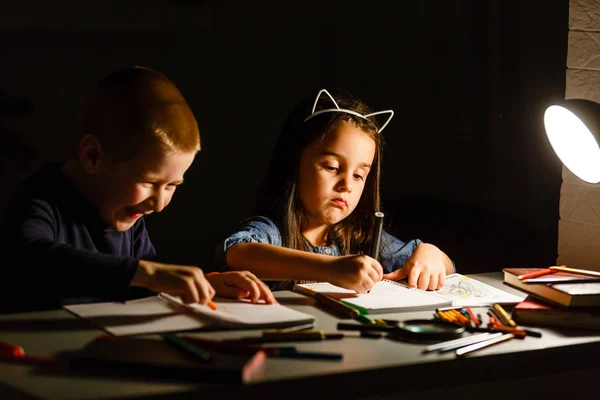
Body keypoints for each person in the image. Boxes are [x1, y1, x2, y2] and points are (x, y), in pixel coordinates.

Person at [0, 66, 275, 313]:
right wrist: (146, 273)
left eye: (172, 185)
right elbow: (32, 257)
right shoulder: (41, 199)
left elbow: (148, 285)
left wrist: (206, 283)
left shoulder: (127, 216)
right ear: (92, 156)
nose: (158, 203)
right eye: (148, 183)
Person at [215, 89, 454, 292]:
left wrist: (430, 253)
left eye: (359, 175)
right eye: (332, 167)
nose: (347, 185)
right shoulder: (274, 232)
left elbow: (445, 264)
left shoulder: (359, 237)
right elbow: (237, 254)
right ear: (293, 163)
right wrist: (331, 268)